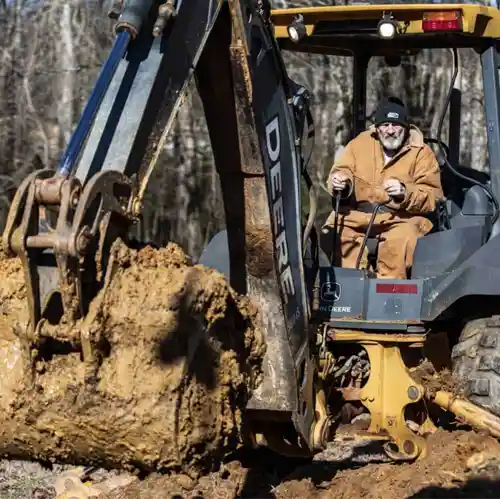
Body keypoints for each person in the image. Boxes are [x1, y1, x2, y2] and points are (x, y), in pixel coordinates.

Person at [323, 96, 444, 279]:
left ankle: (389, 297)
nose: (390, 131)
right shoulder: (360, 143)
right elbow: (342, 169)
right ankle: (354, 286)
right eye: (385, 125)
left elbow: (433, 195)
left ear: (405, 127)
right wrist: (341, 182)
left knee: (402, 240)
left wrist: (405, 192)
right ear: (377, 128)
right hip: (358, 216)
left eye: (396, 125)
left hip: (400, 219)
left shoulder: (422, 153)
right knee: (332, 231)